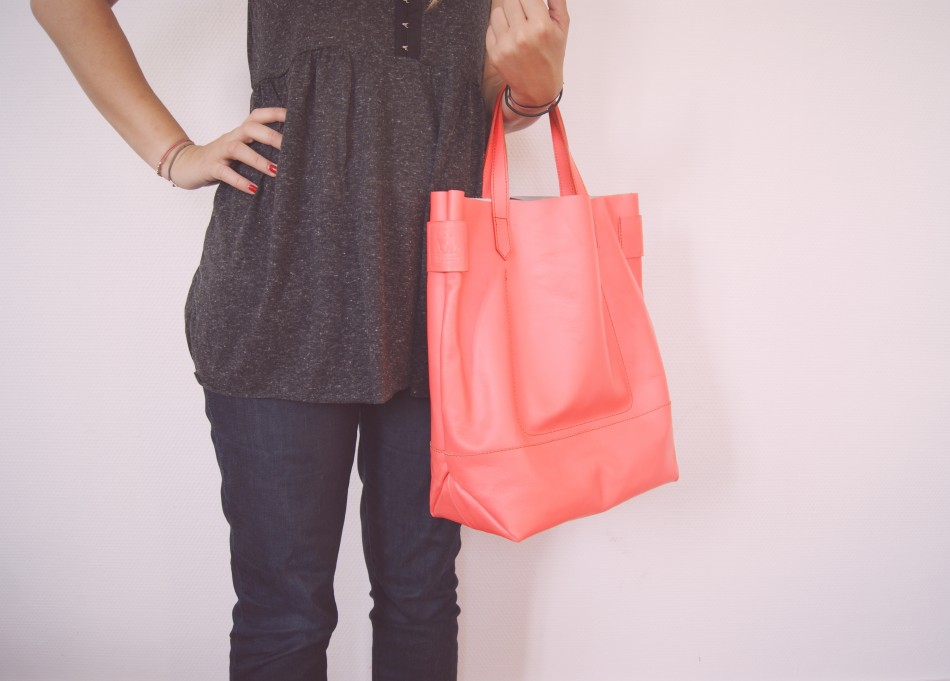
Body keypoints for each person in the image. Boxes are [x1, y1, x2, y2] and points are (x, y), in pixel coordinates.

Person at [31, 0, 569, 679]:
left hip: (439, 313)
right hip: (279, 308)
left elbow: (472, 103)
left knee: (423, 599)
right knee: (286, 616)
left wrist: (536, 90)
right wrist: (175, 155)